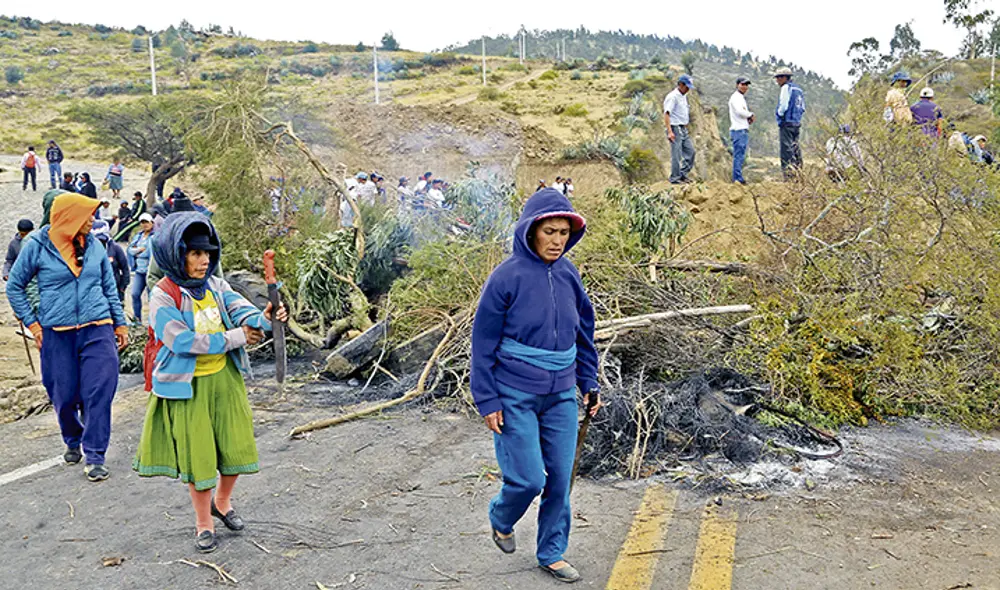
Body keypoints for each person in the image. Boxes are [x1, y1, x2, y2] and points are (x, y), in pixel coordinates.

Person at [133, 213, 285, 553]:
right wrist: (236, 337)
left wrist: (264, 316)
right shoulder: (162, 296)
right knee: (199, 457)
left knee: (236, 446)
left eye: (208, 254)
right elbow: (183, 341)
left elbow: (241, 308)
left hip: (224, 380)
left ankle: (224, 502)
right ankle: (204, 522)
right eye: (195, 254)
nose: (204, 261)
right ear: (177, 254)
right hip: (187, 388)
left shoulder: (215, 285)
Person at [471, 188, 600, 584]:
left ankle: (551, 551)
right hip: (514, 394)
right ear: (531, 231)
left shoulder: (568, 274)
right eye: (550, 232)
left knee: (561, 478)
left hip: (560, 392)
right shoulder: (506, 277)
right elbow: (483, 342)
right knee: (529, 479)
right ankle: (502, 516)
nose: (557, 240)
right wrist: (488, 398)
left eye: (564, 232)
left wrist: (588, 380)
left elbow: (584, 331)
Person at [6, 193, 128, 481]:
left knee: (100, 389)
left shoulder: (96, 247)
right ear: (69, 217)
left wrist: (120, 324)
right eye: (87, 216)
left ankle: (96, 454)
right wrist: (34, 326)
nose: (92, 221)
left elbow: (109, 288)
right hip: (56, 333)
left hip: (98, 327)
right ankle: (73, 438)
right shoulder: (36, 245)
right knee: (63, 394)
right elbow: (15, 286)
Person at [663, 74, 696, 184]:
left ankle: (682, 174)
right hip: (675, 127)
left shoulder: (683, 96)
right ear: (680, 84)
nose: (688, 89)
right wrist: (670, 131)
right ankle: (675, 178)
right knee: (676, 155)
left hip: (682, 128)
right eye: (686, 86)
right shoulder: (673, 97)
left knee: (690, 152)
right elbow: (667, 114)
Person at [774, 67, 806, 180]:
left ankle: (789, 177)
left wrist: (780, 114)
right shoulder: (799, 90)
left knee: (786, 151)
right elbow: (803, 108)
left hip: (787, 123)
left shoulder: (786, 88)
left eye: (778, 78)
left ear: (784, 77)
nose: (777, 80)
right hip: (796, 123)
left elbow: (783, 106)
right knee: (796, 148)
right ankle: (799, 174)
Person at [91, 220, 129, 303]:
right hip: (98, 290)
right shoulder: (90, 250)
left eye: (102, 240)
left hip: (115, 289)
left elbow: (125, 269)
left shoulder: (115, 248)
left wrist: (122, 288)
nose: (100, 242)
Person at [128, 213, 155, 323]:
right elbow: (129, 250)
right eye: (142, 222)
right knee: (135, 294)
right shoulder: (138, 236)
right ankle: (137, 319)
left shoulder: (154, 237)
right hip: (139, 270)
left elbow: (149, 252)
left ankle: (153, 321)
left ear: (152, 223)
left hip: (150, 271)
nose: (144, 225)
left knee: (152, 297)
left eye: (147, 222)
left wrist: (136, 251)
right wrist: (139, 250)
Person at [728, 76, 755, 184]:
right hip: (738, 130)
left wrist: (748, 117)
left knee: (740, 155)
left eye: (746, 85)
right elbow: (739, 111)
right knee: (739, 155)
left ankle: (738, 177)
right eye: (742, 84)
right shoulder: (736, 97)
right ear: (737, 85)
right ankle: (737, 178)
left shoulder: (740, 98)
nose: (745, 87)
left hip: (742, 129)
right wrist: (750, 114)